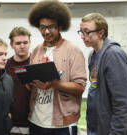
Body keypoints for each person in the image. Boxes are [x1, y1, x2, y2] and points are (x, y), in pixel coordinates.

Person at [27, 0, 87, 135]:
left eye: (51, 27)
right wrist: (30, 83)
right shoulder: (37, 50)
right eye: (42, 27)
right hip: (36, 120)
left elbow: (79, 87)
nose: (46, 31)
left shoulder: (73, 50)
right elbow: (32, 83)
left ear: (60, 27)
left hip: (62, 124)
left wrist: (53, 83)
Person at [78, 13, 127, 135]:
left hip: (110, 130)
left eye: (87, 32)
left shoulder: (113, 55)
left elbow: (123, 103)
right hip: (95, 127)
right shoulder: (92, 55)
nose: (82, 36)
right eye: (81, 32)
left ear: (101, 33)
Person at [5, 27, 31, 135]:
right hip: (11, 122)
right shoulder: (4, 65)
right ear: (11, 45)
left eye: (25, 42)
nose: (22, 46)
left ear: (30, 43)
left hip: (34, 122)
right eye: (18, 43)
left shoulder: (37, 62)